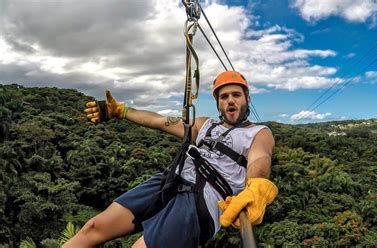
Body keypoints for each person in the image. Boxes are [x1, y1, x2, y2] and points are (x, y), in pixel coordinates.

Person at [62, 71, 278, 248]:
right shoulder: (204, 125)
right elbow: (159, 121)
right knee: (94, 227)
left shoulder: (259, 133)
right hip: (170, 180)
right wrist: (122, 111)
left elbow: (260, 158)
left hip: (203, 199)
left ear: (247, 99)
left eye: (236, 95)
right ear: (218, 103)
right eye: (224, 96)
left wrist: (256, 186)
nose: (230, 100)